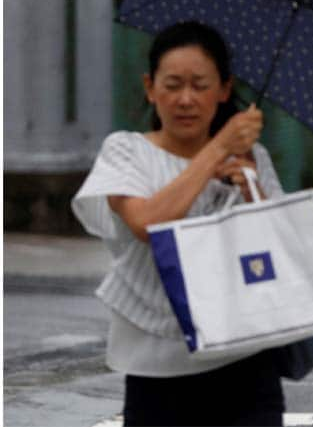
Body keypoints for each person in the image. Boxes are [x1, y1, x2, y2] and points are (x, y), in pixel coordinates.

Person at [72, 22, 286, 425]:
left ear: (224, 89)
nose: (186, 99)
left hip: (245, 359)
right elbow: (148, 224)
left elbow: (277, 246)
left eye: (200, 85)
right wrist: (217, 150)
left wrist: (250, 189)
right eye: (173, 85)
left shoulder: (251, 157)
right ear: (150, 87)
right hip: (157, 371)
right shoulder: (126, 152)